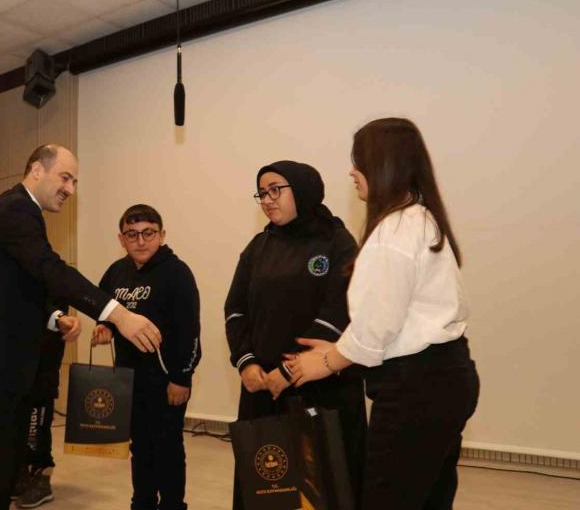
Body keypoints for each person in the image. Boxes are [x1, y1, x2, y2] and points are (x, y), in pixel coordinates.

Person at [0, 145, 162, 510]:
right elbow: (51, 269)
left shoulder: (21, 211)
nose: (70, 189)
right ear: (36, 170)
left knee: (6, 466)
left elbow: (17, 287)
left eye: (74, 181)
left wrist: (54, 318)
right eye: (65, 177)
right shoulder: (16, 209)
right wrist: (118, 315)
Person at [285, 118, 480, 510]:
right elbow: (393, 319)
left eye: (358, 161)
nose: (352, 172)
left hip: (416, 390)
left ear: (383, 166)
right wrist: (342, 347)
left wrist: (326, 361)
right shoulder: (421, 218)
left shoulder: (393, 232)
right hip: (448, 376)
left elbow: (376, 330)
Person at [224, 162, 366, 509]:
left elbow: (342, 311)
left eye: (276, 189)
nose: (267, 199)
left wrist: (288, 370)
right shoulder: (258, 246)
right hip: (263, 389)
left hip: (322, 390)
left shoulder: (337, 242)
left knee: (322, 491)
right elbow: (235, 310)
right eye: (262, 192)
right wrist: (246, 363)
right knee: (266, 490)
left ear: (303, 190)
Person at [92, 204, 201, 510]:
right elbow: (103, 306)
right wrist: (105, 326)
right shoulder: (116, 272)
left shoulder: (177, 273)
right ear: (122, 238)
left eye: (148, 233)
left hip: (167, 382)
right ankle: (142, 503)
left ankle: (172, 505)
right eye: (132, 234)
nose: (140, 241)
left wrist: (181, 378)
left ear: (162, 235)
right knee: (140, 447)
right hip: (128, 380)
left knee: (167, 448)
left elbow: (190, 332)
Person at [11, 321, 68, 508]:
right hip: (19, 358)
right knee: (17, 423)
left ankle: (41, 477)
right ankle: (22, 475)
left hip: (43, 366)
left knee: (36, 428)